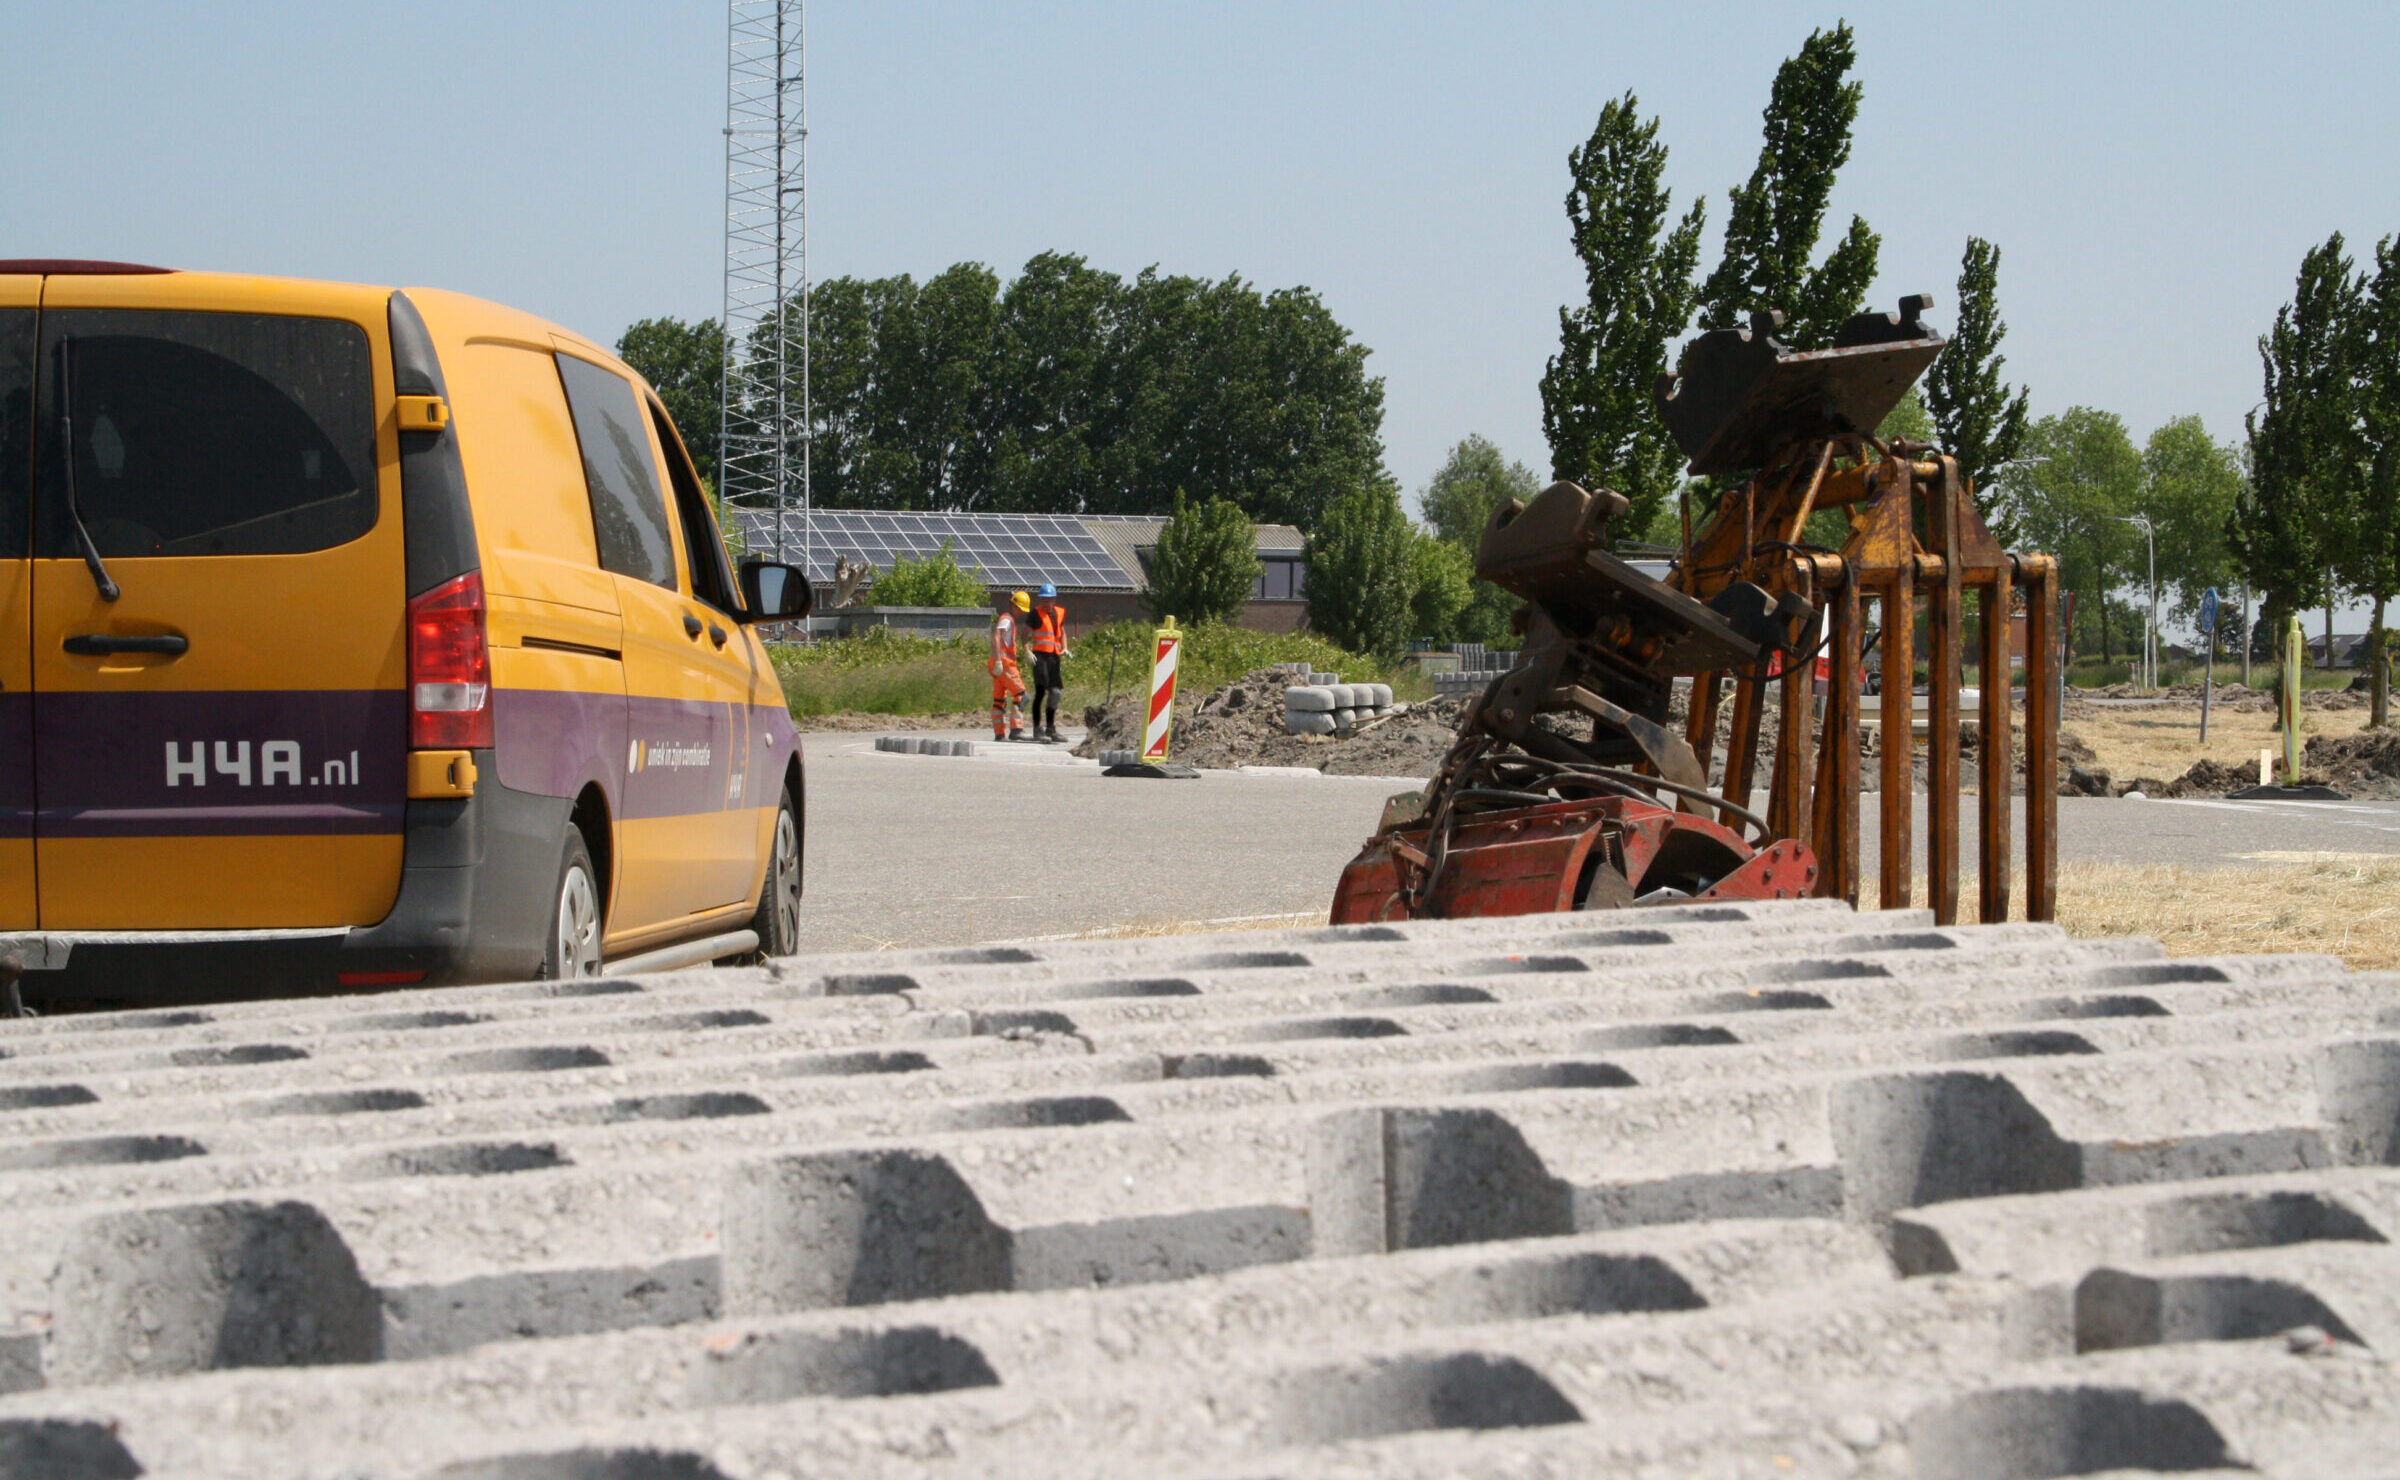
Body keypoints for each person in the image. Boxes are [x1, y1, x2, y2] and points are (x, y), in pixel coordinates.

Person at [1027, 582, 1072, 743]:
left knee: (1056, 693)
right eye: (1043, 599)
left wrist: (1065, 647)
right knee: (1040, 693)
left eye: (1049, 599)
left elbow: (1062, 631)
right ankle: (1037, 729)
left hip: (1054, 656)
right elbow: (1024, 634)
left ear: (1054, 599)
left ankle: (1051, 728)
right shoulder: (1035, 614)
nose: (1046, 602)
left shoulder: (1058, 613)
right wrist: (1027, 650)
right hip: (1040, 657)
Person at [990, 591, 1031, 742]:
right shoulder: (1007, 619)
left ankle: (999, 734)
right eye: (1020, 608)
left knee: (999, 700)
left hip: (998, 663)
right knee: (1022, 696)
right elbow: (996, 636)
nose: (1021, 612)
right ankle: (1016, 730)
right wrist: (1000, 660)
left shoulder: (1006, 619)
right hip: (1005, 664)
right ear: (1013, 606)